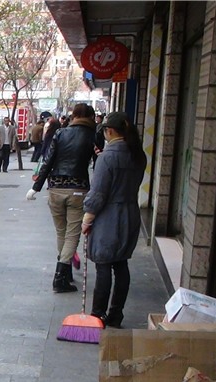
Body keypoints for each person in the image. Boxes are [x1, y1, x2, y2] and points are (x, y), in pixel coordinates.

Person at [82, 112, 146, 328]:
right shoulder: (138, 155)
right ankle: (116, 314)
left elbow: (98, 193)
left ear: (109, 131)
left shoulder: (107, 158)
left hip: (109, 217)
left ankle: (97, 314)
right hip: (130, 214)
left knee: (103, 265)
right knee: (121, 264)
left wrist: (87, 218)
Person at [26, 103, 96, 293]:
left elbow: (48, 161)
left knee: (61, 233)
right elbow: (99, 164)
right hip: (78, 189)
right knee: (72, 235)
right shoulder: (93, 135)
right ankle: (60, 277)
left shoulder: (61, 133)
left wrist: (36, 187)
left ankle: (66, 273)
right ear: (90, 117)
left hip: (55, 188)